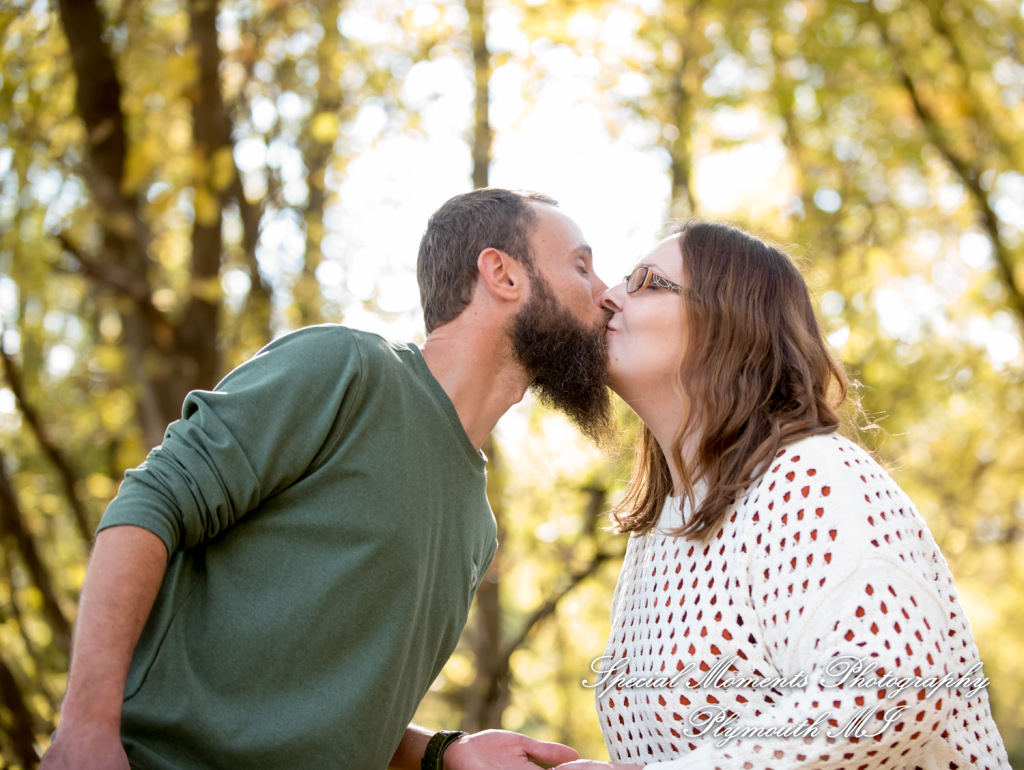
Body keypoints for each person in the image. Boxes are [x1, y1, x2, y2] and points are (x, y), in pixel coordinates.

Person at [42, 188, 617, 769]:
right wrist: (86, 727)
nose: (606, 294)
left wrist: (442, 755)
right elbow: (152, 501)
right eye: (581, 266)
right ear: (502, 274)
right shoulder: (348, 370)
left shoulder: (478, 524)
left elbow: (334, 711)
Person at [557, 221, 1010, 769]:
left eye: (648, 281)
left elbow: (896, 690)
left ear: (726, 322)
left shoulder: (811, 477)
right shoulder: (663, 528)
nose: (607, 295)